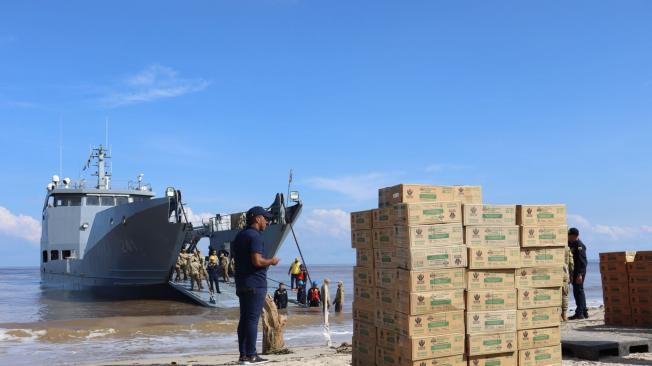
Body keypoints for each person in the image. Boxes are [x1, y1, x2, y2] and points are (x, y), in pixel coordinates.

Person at [232, 206, 280, 364]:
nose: (267, 221)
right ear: (257, 218)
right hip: (255, 283)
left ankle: (243, 356)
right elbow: (257, 261)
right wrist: (271, 261)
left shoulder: (240, 236)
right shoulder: (256, 236)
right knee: (252, 320)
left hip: (241, 283)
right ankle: (251, 355)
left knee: (244, 319)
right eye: (265, 218)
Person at [568, 227, 588, 320]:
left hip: (579, 272)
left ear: (574, 236)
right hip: (574, 271)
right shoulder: (571, 244)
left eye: (570, 236)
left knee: (578, 292)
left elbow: (582, 262)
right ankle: (584, 312)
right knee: (579, 291)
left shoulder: (579, 246)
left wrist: (580, 274)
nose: (568, 237)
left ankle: (579, 313)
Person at [562, 244, 574, 321]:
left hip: (552, 274)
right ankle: (564, 314)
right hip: (564, 274)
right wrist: (571, 274)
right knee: (564, 295)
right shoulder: (567, 248)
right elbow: (571, 263)